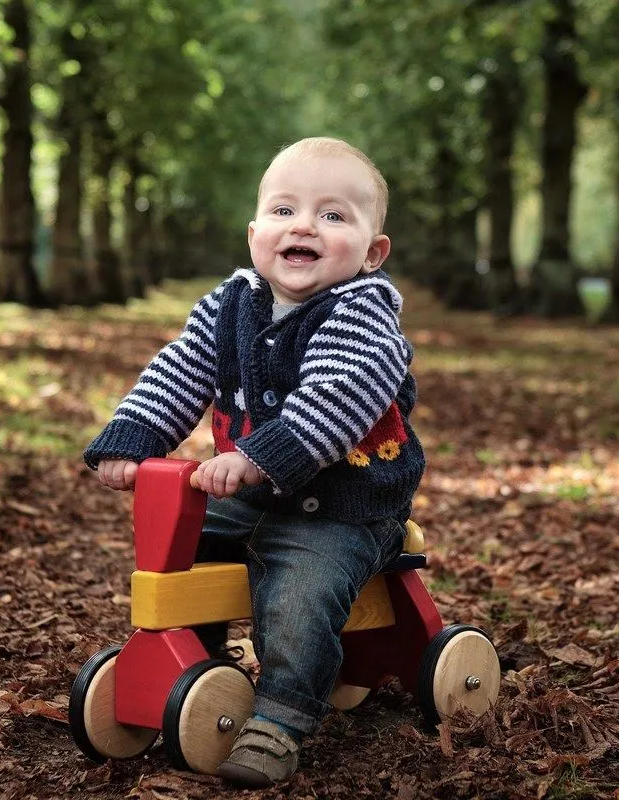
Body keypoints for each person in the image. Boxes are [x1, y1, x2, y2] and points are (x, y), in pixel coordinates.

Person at [83, 136, 425, 788]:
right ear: (254, 234)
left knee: (299, 590)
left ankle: (281, 714)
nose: (304, 226)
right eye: (284, 210)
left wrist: (258, 458)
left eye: (333, 216)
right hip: (255, 489)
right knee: (188, 545)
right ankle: (197, 665)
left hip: (347, 501)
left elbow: (337, 392)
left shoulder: (364, 315)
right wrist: (133, 436)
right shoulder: (231, 303)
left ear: (373, 252)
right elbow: (181, 369)